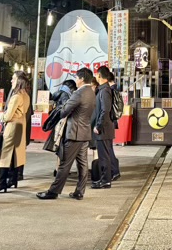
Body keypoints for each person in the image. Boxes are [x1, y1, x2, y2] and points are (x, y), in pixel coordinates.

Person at [37, 67, 96, 200]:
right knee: (83, 163)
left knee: (65, 163)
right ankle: (79, 191)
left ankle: (53, 191)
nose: (76, 80)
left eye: (77, 77)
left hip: (74, 132)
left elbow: (64, 111)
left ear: (81, 79)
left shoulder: (78, 93)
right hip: (85, 132)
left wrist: (62, 107)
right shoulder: (91, 92)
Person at [0, 71, 30, 193]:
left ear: (18, 81)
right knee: (15, 154)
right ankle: (13, 179)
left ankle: (1, 183)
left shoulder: (16, 96)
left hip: (12, 127)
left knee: (5, 155)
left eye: (13, 79)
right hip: (20, 126)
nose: (11, 81)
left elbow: (8, 116)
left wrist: (4, 115)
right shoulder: (26, 95)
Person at [92, 68, 115, 189]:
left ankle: (106, 180)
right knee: (103, 155)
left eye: (96, 74)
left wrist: (98, 125)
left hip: (104, 129)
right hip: (104, 128)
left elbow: (105, 110)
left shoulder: (105, 90)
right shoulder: (103, 89)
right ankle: (104, 179)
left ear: (99, 76)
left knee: (104, 156)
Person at [104, 69, 120, 180]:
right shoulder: (114, 89)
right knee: (108, 147)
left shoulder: (110, 90)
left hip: (108, 121)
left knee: (108, 148)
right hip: (111, 121)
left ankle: (114, 170)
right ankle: (114, 170)